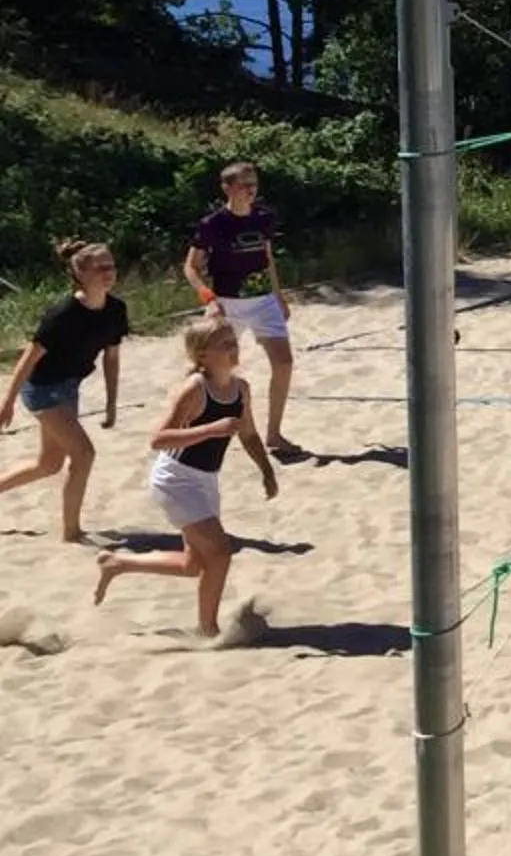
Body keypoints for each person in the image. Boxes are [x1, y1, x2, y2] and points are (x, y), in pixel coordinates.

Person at [95, 314, 276, 635]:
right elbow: (159, 439)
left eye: (234, 342)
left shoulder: (240, 389)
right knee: (220, 553)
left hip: (206, 480)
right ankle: (208, 629)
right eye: (224, 345)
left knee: (194, 565)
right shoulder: (195, 389)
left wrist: (266, 470)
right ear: (202, 356)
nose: (233, 349)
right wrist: (211, 429)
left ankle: (118, 564)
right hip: (176, 479)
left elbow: (248, 434)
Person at [0, 240, 130, 543]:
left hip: (69, 387)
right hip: (42, 389)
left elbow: (112, 357)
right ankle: (71, 532)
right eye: (101, 268)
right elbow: (29, 359)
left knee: (48, 464)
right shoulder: (62, 313)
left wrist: (112, 404)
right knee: (83, 454)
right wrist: (7, 404)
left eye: (111, 266)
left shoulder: (116, 309)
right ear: (81, 273)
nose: (109, 273)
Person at [183, 160, 296, 458]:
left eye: (253, 184)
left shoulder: (263, 218)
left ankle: (274, 434)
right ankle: (187, 426)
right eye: (244, 184)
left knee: (283, 363)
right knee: (209, 369)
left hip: (263, 301)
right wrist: (208, 298)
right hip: (227, 302)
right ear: (227, 188)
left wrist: (279, 295)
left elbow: (268, 257)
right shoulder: (212, 224)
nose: (250, 190)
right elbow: (190, 267)